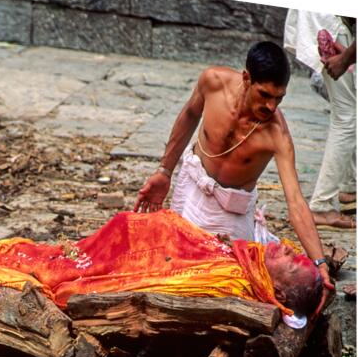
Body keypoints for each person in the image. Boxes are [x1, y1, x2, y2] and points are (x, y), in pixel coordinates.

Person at [0, 202, 323, 324]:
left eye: (295, 262)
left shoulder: (230, 283)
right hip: (97, 248)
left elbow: (153, 280)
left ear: (278, 294)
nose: (288, 249)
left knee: (19, 268)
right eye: (297, 252)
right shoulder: (244, 256)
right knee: (19, 250)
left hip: (93, 270)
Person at [133, 41, 334, 313]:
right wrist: (164, 171)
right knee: (173, 266)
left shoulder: (277, 134)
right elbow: (190, 115)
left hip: (230, 211)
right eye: (264, 94)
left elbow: (296, 202)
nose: (271, 106)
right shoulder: (213, 82)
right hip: (192, 186)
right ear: (246, 78)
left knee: (223, 286)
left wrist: (320, 263)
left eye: (279, 98)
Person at [283, 11, 356, 228]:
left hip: (332, 18)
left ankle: (351, 187)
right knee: (347, 115)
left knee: (350, 106)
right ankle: (322, 206)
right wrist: (345, 58)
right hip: (332, 20)